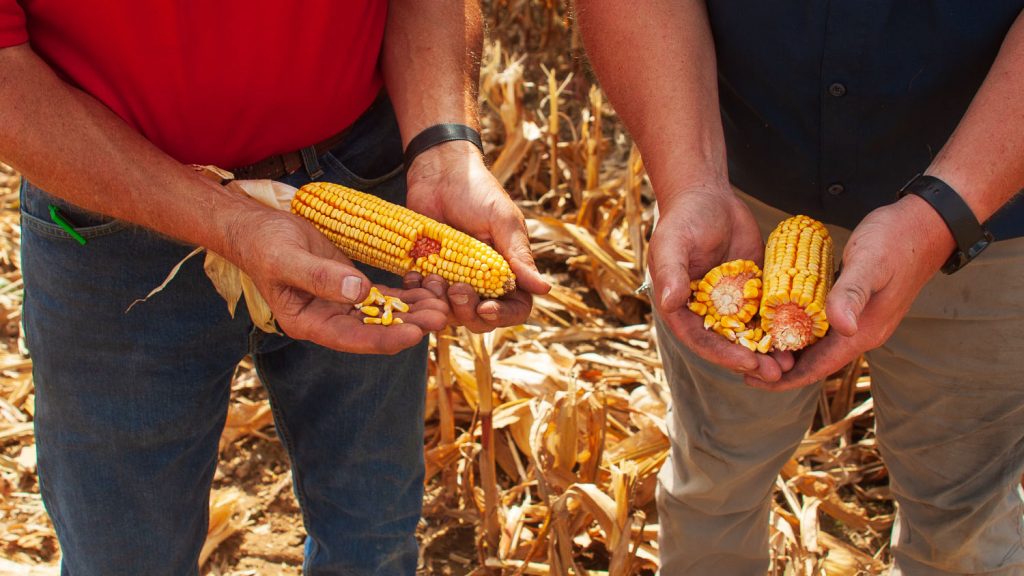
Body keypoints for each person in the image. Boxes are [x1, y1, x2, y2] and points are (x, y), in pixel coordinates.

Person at [0, 1, 549, 574]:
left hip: (359, 166)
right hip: (113, 204)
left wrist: (445, 147)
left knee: (374, 527)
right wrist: (234, 225)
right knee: (126, 557)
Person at [577, 1, 1024, 574]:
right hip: (742, 198)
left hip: (991, 210)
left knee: (963, 520)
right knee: (715, 473)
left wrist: (944, 215)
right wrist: (691, 181)